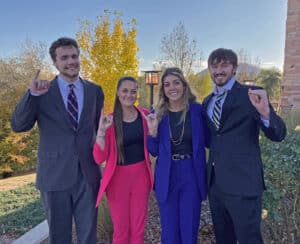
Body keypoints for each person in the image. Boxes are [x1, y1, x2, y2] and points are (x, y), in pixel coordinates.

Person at [11, 37, 104, 244]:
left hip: (88, 175)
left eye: (74, 56)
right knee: (59, 237)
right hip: (54, 175)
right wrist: (32, 94)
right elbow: (18, 125)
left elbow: (99, 131)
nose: (71, 61)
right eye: (64, 58)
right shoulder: (43, 91)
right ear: (55, 62)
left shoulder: (94, 91)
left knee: (88, 236)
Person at [202, 48, 286, 244]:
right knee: (223, 239)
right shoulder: (207, 101)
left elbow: (278, 134)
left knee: (250, 240)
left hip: (244, 186)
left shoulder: (251, 96)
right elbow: (211, 139)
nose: (218, 70)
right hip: (216, 186)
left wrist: (266, 113)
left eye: (224, 65)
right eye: (214, 66)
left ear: (234, 68)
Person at [144, 67, 207, 244]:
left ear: (184, 85)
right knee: (169, 232)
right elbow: (154, 151)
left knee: (189, 229)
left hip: (191, 173)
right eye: (167, 84)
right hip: (167, 174)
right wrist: (153, 132)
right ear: (163, 89)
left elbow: (210, 140)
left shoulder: (197, 111)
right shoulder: (158, 114)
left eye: (176, 82)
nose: (172, 87)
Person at [93, 76, 153, 244]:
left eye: (133, 91)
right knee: (121, 231)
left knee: (138, 230)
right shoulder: (109, 121)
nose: (129, 95)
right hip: (117, 180)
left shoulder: (145, 116)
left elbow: (155, 148)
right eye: (125, 91)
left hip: (141, 177)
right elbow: (99, 158)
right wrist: (101, 133)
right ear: (118, 93)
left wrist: (154, 132)